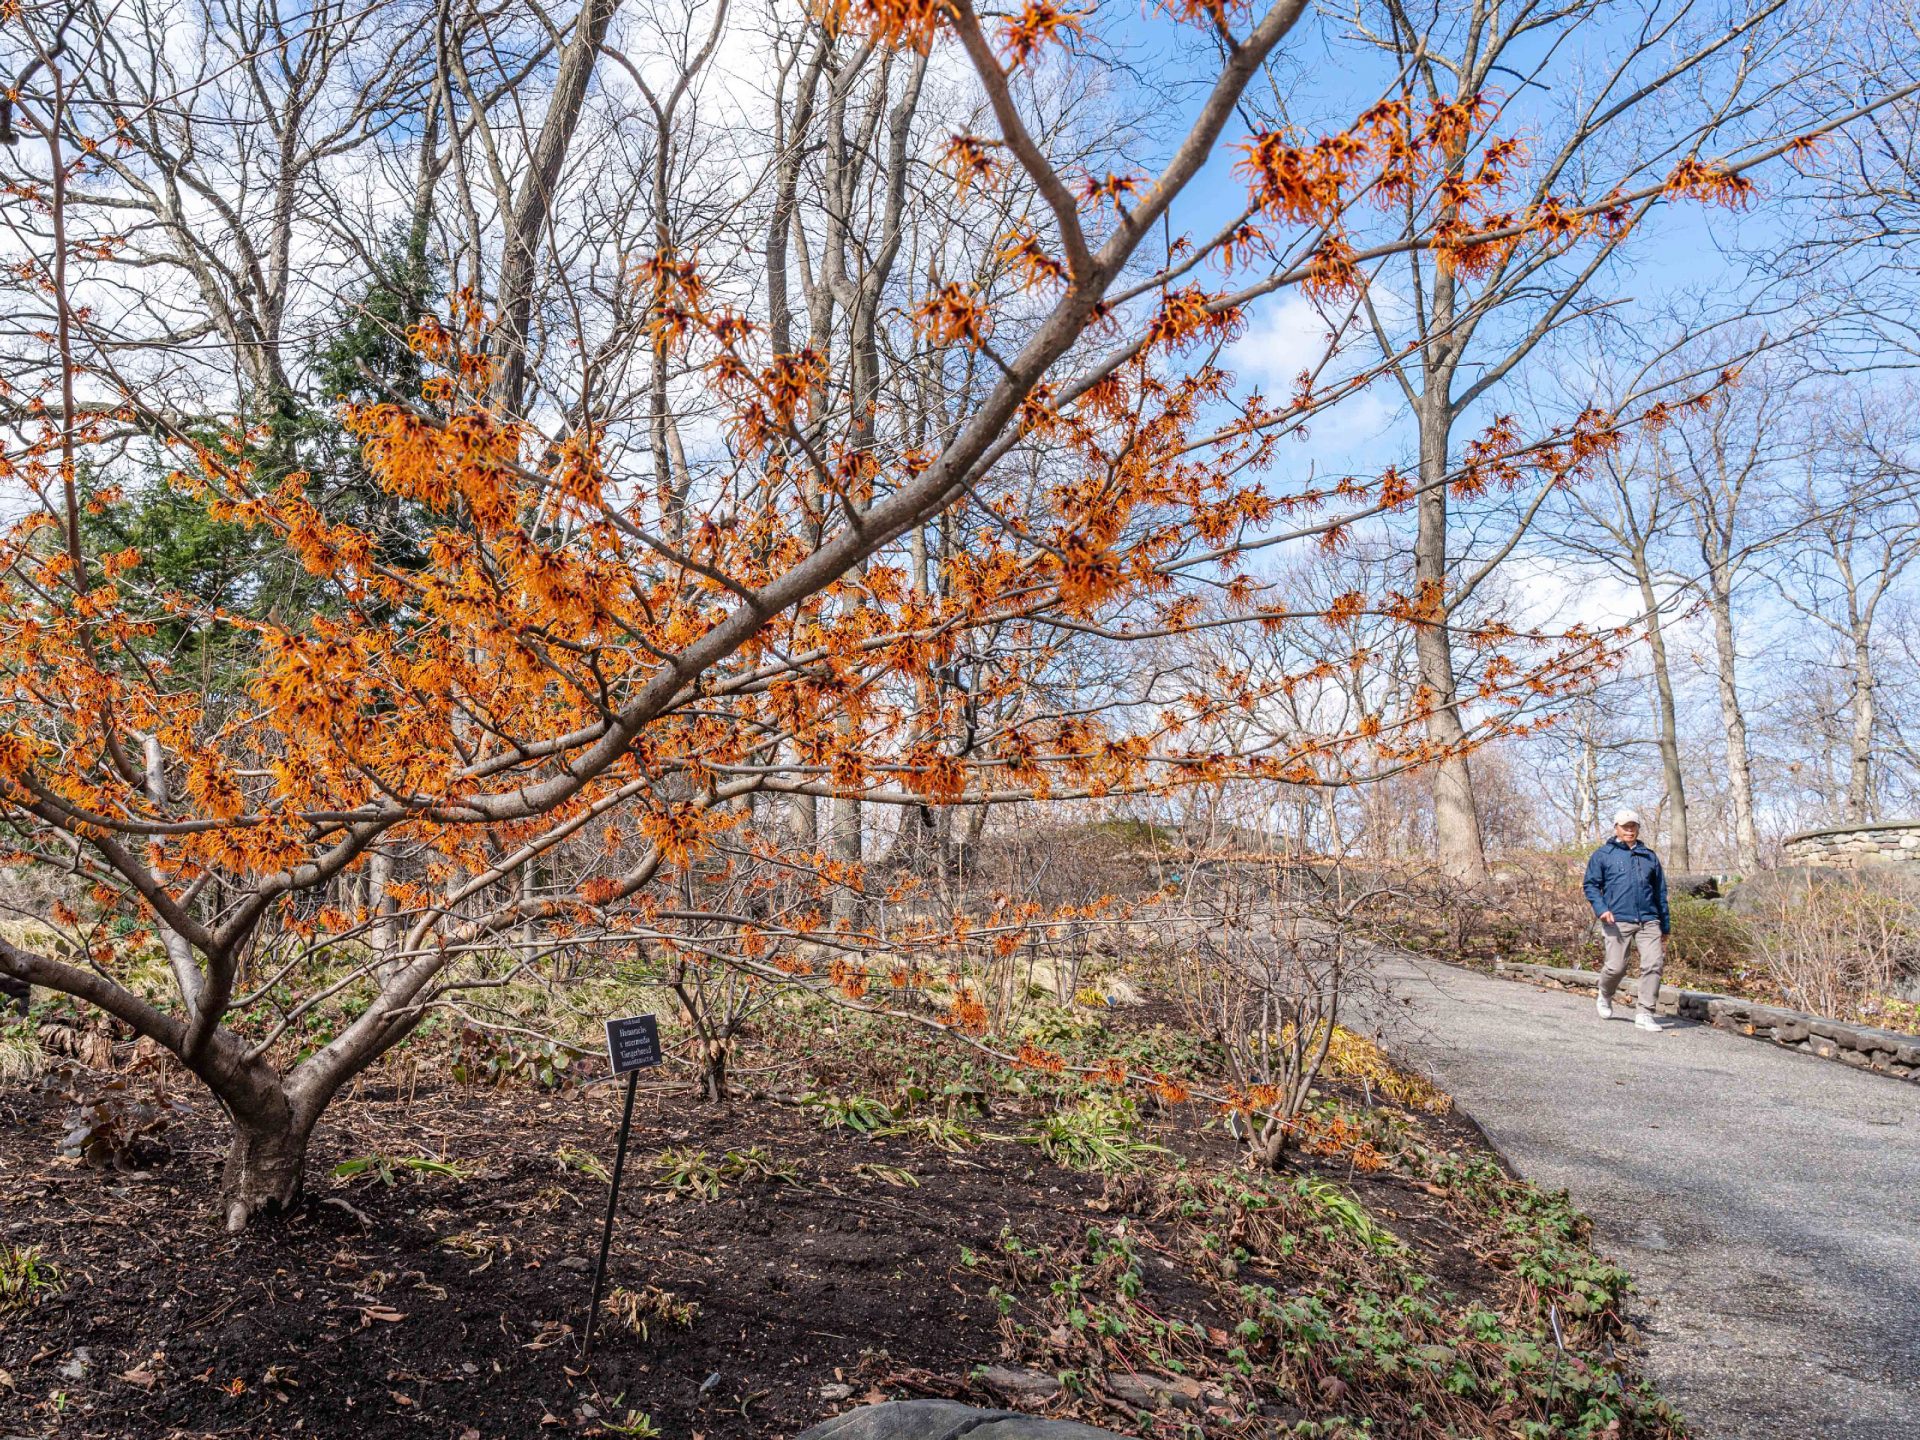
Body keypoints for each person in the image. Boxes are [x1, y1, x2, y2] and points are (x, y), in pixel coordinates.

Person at [1582, 808, 1670, 1032]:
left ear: (1638, 828)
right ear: (1616, 828)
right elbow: (1591, 885)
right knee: (1616, 967)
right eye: (1625, 826)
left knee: (1653, 963)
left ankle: (1645, 1013)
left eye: (1633, 826)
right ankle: (1605, 992)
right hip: (1616, 919)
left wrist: (1665, 925)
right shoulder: (1603, 855)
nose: (1629, 830)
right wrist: (1601, 909)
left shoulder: (1649, 856)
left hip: (1649, 920)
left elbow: (1660, 893)